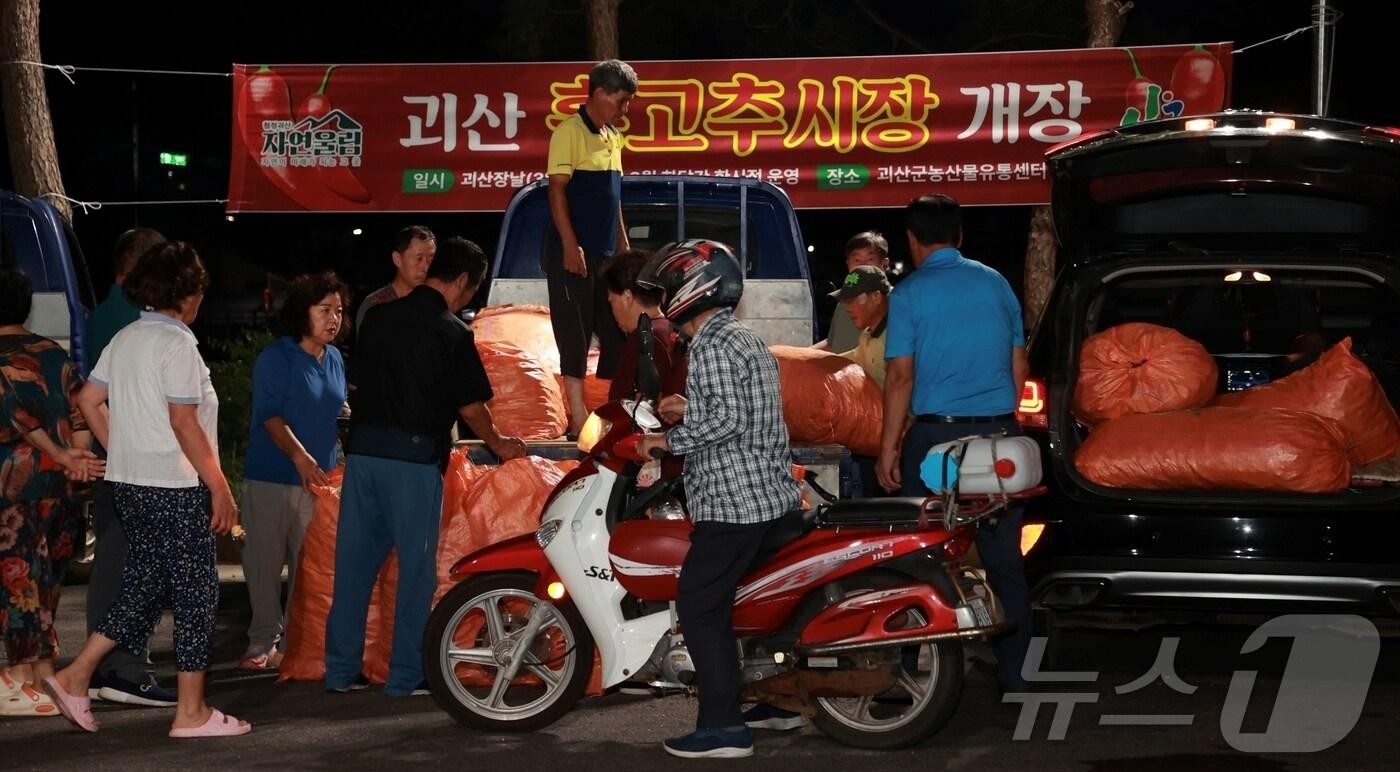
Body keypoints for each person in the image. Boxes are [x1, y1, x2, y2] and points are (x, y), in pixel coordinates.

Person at [46, 243, 252, 738]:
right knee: (196, 593)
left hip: (131, 485)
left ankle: (75, 677)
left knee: (145, 585)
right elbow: (184, 421)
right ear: (188, 293)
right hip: (174, 486)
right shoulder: (177, 344)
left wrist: (124, 450)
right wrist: (220, 487)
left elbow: (89, 399)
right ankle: (191, 712)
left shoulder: (127, 337)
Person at [326, 236, 526, 696]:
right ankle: (404, 678)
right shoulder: (452, 332)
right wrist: (500, 445)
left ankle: (339, 672)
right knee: (415, 576)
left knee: (354, 570)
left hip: (362, 457)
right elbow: (472, 408)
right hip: (413, 464)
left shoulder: (376, 317)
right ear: (463, 281)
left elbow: (354, 387)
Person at [635, 239, 800, 759]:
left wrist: (665, 441)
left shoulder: (711, 343)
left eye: (667, 288)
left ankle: (724, 728)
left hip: (735, 505)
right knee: (753, 604)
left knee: (699, 607)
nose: (664, 299)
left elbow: (727, 422)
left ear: (692, 288)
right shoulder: (742, 338)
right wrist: (689, 407)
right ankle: (778, 700)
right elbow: (736, 409)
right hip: (769, 498)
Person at [876, 194, 1032, 695]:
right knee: (1005, 559)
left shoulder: (909, 293)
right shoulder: (997, 284)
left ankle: (904, 674)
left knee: (915, 553)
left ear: (913, 240)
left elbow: (900, 377)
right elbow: (1019, 367)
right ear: (960, 236)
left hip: (937, 439)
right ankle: (1017, 677)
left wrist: (887, 449)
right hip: (1000, 437)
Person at [82, 228, 180, 708]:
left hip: (115, 464)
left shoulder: (103, 314)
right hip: (136, 467)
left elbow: (88, 396)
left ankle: (107, 668)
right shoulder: (136, 319)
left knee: (114, 564)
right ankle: (126, 670)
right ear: (141, 267)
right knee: (136, 568)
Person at [0, 268, 102, 718]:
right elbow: (81, 408)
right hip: (61, 487)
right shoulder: (53, 352)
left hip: (13, 486)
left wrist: (63, 457)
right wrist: (76, 458)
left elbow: (14, 413)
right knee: (46, 581)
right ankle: (43, 677)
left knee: (20, 582)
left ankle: (21, 679)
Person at [238, 273, 350, 671]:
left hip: (318, 482)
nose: (333, 318)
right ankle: (261, 641)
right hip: (271, 476)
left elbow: (332, 406)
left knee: (310, 567)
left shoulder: (335, 359)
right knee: (263, 566)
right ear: (302, 312)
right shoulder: (278, 356)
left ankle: (296, 642)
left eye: (338, 311)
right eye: (324, 310)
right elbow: (270, 415)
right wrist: (301, 457)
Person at [546, 58, 637, 436]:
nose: (625, 109)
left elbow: (612, 200)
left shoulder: (613, 136)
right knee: (575, 331)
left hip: (604, 254)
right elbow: (556, 191)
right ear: (599, 94)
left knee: (618, 331)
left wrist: (624, 249)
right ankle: (578, 416)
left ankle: (614, 410)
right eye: (620, 101)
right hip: (571, 252)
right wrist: (571, 245)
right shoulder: (568, 131)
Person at [601, 249, 687, 402]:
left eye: (611, 300)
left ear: (627, 297)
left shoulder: (642, 339)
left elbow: (621, 408)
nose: (612, 310)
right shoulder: (676, 331)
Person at [813, 231, 891, 353]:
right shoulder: (843, 301)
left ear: (885, 264)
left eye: (870, 259)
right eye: (857, 260)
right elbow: (833, 344)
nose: (863, 266)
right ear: (848, 264)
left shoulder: (898, 302)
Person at [353, 225, 436, 333]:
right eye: (419, 258)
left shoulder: (432, 305)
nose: (426, 267)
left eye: (431, 259)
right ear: (397, 259)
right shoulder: (375, 304)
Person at [831, 265, 892, 389]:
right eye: (846, 302)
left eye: (852, 300)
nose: (847, 308)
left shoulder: (896, 337)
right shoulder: (867, 335)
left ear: (876, 297)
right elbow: (853, 357)